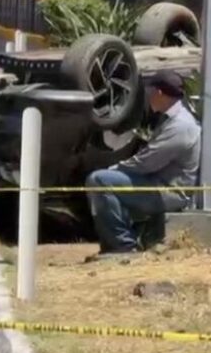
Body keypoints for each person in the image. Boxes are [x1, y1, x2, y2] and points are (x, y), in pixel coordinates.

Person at [85, 70, 201, 255]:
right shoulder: (173, 119)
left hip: (169, 191)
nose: (148, 97)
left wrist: (116, 169)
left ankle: (123, 245)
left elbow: (148, 162)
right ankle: (121, 241)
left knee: (100, 180)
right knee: (106, 180)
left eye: (150, 92)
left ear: (159, 93)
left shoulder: (180, 126)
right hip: (159, 184)